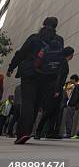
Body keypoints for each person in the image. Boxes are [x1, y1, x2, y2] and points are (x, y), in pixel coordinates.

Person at [6, 16, 65, 144]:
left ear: (43, 24)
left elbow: (21, 53)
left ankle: (23, 133)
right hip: (48, 77)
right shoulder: (59, 40)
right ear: (56, 26)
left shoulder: (34, 37)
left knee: (28, 102)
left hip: (30, 73)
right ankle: (27, 131)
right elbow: (60, 60)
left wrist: (11, 67)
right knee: (36, 103)